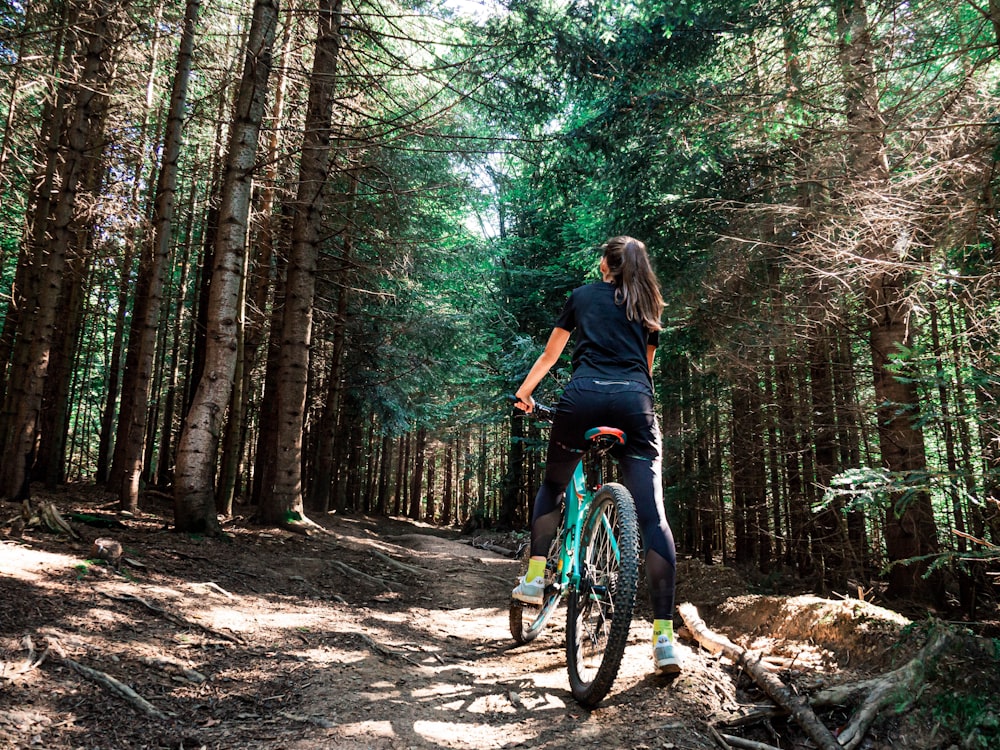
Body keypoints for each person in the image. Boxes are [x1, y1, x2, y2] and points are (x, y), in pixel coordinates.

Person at [512, 235, 680, 674]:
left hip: (582, 398)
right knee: (652, 517)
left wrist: (524, 394)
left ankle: (533, 578)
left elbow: (552, 354)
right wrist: (641, 412)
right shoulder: (648, 304)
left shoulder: (582, 296)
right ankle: (664, 639)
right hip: (633, 405)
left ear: (606, 266)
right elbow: (645, 370)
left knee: (554, 484)